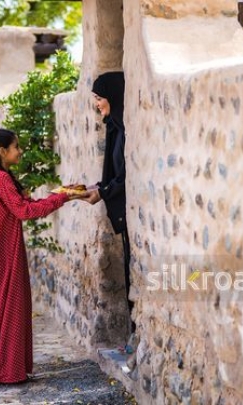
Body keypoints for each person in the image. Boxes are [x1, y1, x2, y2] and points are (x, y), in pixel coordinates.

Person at [0, 128, 86, 385]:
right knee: (10, 311)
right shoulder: (1, 179)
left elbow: (26, 205)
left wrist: (62, 195)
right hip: (4, 254)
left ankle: (12, 369)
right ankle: (6, 373)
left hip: (4, 251)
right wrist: (62, 198)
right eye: (16, 147)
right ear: (2, 151)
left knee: (14, 310)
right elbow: (25, 211)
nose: (20, 151)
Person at [82, 71, 136, 336]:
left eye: (99, 98)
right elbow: (115, 175)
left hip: (132, 215)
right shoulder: (115, 126)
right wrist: (98, 188)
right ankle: (133, 336)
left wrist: (103, 192)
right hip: (125, 216)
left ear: (113, 96)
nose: (97, 104)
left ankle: (135, 337)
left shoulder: (126, 129)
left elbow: (128, 175)